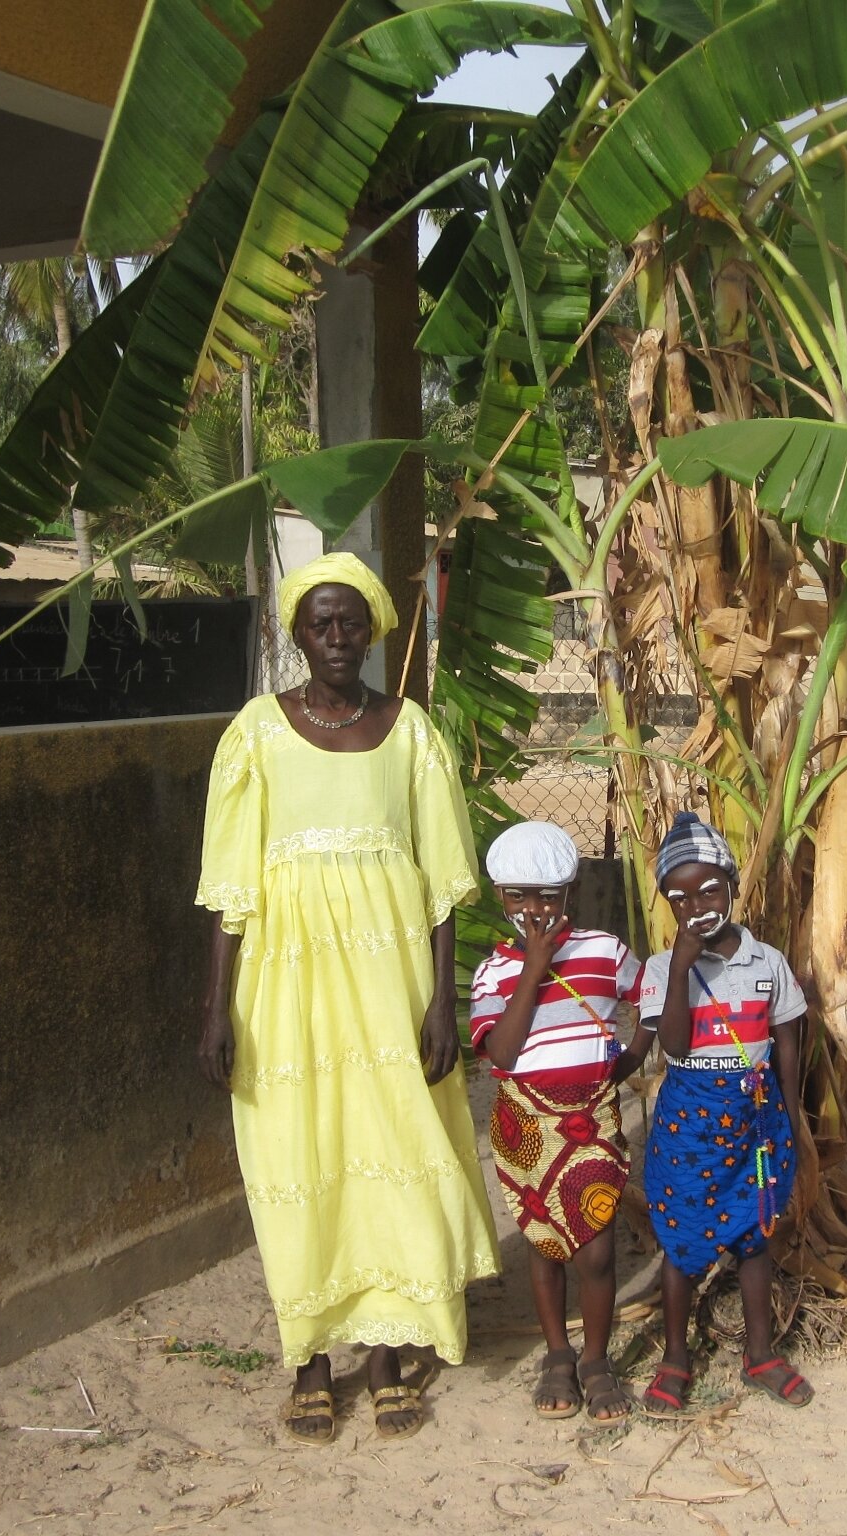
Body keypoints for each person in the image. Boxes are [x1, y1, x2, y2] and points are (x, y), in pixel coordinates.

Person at [194, 552, 499, 1446]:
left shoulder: (410, 733)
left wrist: (441, 1003)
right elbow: (227, 888)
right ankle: (309, 1364)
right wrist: (216, 1009)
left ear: (373, 630)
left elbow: (443, 883)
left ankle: (391, 1354)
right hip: (286, 988)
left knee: (392, 1148)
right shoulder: (253, 735)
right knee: (300, 1159)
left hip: (391, 982)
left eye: (351, 622)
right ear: (297, 634)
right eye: (320, 624)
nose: (336, 638)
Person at [469, 820, 653, 1423]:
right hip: (525, 1127)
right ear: (501, 897)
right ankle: (557, 1355)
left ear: (568, 893)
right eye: (519, 896)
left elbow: (648, 999)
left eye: (546, 895)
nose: (533, 909)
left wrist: (630, 1059)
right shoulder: (493, 974)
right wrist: (533, 969)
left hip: (591, 1122)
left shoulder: (603, 950)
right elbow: (501, 1052)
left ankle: (596, 1361)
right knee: (544, 1244)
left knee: (595, 1250)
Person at [637, 812, 814, 1412]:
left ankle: (760, 1354)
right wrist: (684, 966)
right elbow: (677, 1047)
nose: (697, 906)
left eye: (710, 890)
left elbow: (788, 1042)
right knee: (681, 1244)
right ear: (668, 903)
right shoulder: (663, 971)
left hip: (756, 1122)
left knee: (754, 1237)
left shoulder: (766, 964)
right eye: (680, 897)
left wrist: (789, 1119)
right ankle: (675, 1357)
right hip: (689, 1122)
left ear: (732, 888)